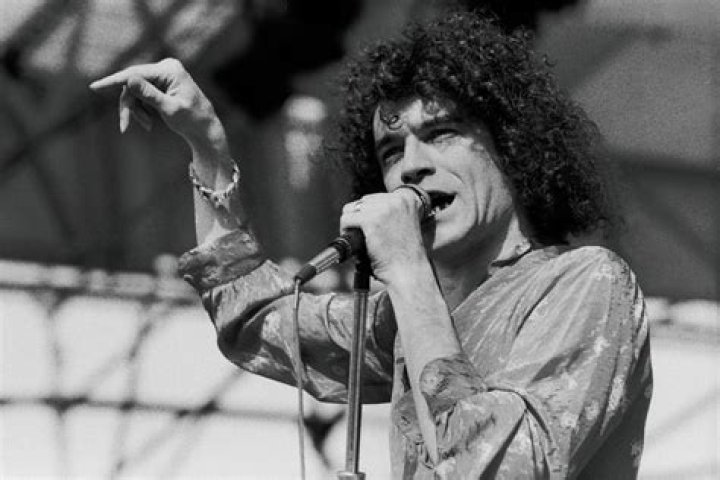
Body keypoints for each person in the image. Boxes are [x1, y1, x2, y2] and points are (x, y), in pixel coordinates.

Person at [90, 10, 652, 479]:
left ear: (511, 147)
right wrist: (207, 146)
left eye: (441, 134)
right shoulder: (404, 316)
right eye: (391, 152)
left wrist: (406, 270)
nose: (411, 167)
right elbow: (253, 318)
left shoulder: (586, 281)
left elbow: (499, 469)